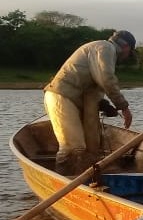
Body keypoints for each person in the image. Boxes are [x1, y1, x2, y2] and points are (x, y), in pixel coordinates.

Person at [43, 30, 136, 175]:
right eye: (129, 51)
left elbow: (91, 87)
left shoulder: (102, 49)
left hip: (72, 100)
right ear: (126, 47)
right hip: (61, 96)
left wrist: (103, 104)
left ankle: (82, 180)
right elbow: (106, 79)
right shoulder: (106, 48)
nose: (127, 56)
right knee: (73, 148)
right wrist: (123, 107)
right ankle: (63, 181)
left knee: (91, 148)